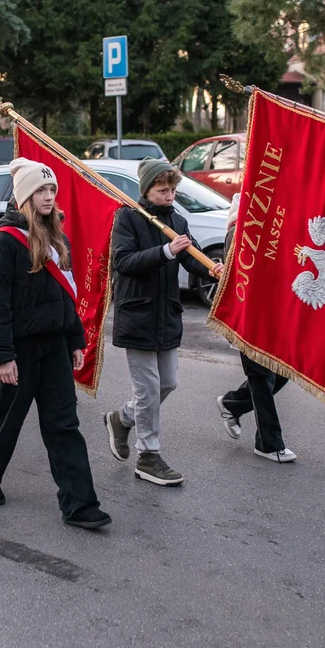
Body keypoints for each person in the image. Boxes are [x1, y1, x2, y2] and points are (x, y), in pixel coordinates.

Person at [0, 158, 110, 530]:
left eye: (51, 190)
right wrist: (1, 357)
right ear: (25, 196)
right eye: (41, 191)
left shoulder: (58, 237)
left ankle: (79, 504)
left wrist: (76, 341)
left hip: (55, 347)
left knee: (64, 423)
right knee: (9, 419)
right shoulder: (5, 244)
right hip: (18, 349)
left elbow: (67, 297)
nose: (48, 197)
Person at [102, 158, 222, 486]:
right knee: (148, 388)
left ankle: (121, 418)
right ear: (147, 190)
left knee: (167, 383)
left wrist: (211, 267)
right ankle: (148, 455)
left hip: (167, 315)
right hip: (137, 314)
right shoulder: (127, 217)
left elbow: (191, 255)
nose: (169, 196)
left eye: (173, 190)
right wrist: (166, 252)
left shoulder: (178, 220)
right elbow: (123, 262)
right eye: (162, 190)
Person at [214, 193, 295, 462]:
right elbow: (241, 279)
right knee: (261, 377)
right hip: (248, 318)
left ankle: (233, 403)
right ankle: (269, 444)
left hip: (272, 315)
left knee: (282, 372)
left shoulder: (271, 225)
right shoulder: (239, 230)